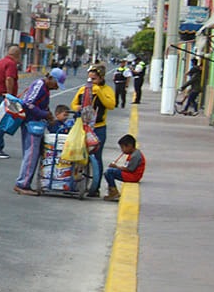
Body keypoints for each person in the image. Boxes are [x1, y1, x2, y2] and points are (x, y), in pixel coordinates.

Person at [14, 68, 69, 194]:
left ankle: (25, 182)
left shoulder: (46, 89)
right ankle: (22, 184)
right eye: (56, 84)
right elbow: (28, 104)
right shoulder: (40, 85)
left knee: (33, 154)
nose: (56, 88)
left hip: (37, 123)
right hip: (31, 123)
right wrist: (44, 114)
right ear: (50, 79)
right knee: (31, 154)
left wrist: (48, 116)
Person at [72, 65, 116, 199]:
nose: (91, 81)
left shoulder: (107, 90)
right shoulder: (82, 89)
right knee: (77, 154)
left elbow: (111, 105)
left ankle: (95, 187)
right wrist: (78, 107)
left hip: (98, 128)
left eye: (94, 78)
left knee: (96, 157)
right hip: (82, 127)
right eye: (89, 78)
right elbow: (73, 104)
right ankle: (75, 183)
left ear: (101, 78)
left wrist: (99, 92)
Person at [0, 50, 22, 157]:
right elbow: (9, 78)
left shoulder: (0, 62)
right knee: (1, 123)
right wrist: (10, 96)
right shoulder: (11, 64)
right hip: (2, 97)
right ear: (16, 55)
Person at [104, 134, 147, 201]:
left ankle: (113, 192)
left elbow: (130, 169)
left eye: (123, 148)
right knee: (110, 171)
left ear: (129, 146)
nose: (122, 150)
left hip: (133, 176)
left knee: (109, 172)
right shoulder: (133, 154)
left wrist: (116, 167)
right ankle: (112, 191)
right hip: (131, 175)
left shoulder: (135, 156)